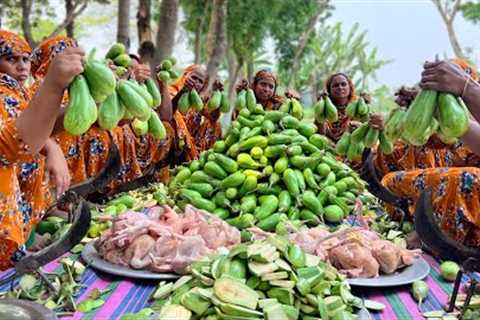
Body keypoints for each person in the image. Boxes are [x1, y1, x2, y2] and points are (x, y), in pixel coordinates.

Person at [0, 30, 83, 270]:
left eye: (25, 59)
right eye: (11, 58)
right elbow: (13, 144)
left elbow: (42, 126)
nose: (21, 66)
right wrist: (55, 85)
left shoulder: (19, 92)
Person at [381, 59, 480, 246]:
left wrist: (466, 87)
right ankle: (421, 220)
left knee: (467, 180)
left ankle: (434, 240)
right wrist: (424, 107)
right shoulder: (457, 118)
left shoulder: (469, 100)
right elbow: (431, 141)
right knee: (390, 182)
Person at [158, 64, 209, 163]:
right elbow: (167, 114)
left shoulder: (199, 101)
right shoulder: (170, 91)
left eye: (200, 81)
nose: (196, 83)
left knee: (215, 125)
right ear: (185, 75)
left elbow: (213, 117)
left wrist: (216, 93)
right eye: (194, 77)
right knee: (174, 118)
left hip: (187, 145)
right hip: (171, 140)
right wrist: (182, 92)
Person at [316, 72, 367, 143]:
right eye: (335, 85)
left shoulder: (359, 105)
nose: (340, 87)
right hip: (328, 148)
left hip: (353, 147)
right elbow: (320, 133)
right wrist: (320, 107)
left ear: (350, 87)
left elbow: (367, 133)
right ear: (329, 90)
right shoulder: (324, 106)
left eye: (343, 84)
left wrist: (360, 127)